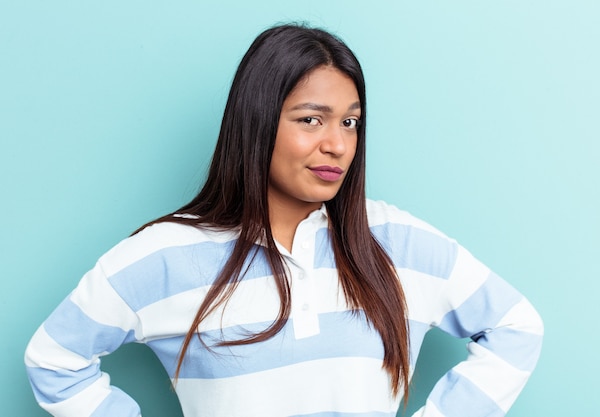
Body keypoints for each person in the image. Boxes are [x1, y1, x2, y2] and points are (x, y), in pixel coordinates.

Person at [24, 24, 543, 417]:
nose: (337, 143)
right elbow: (53, 360)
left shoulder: (397, 241)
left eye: (350, 122)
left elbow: (517, 327)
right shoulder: (165, 256)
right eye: (310, 119)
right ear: (257, 121)